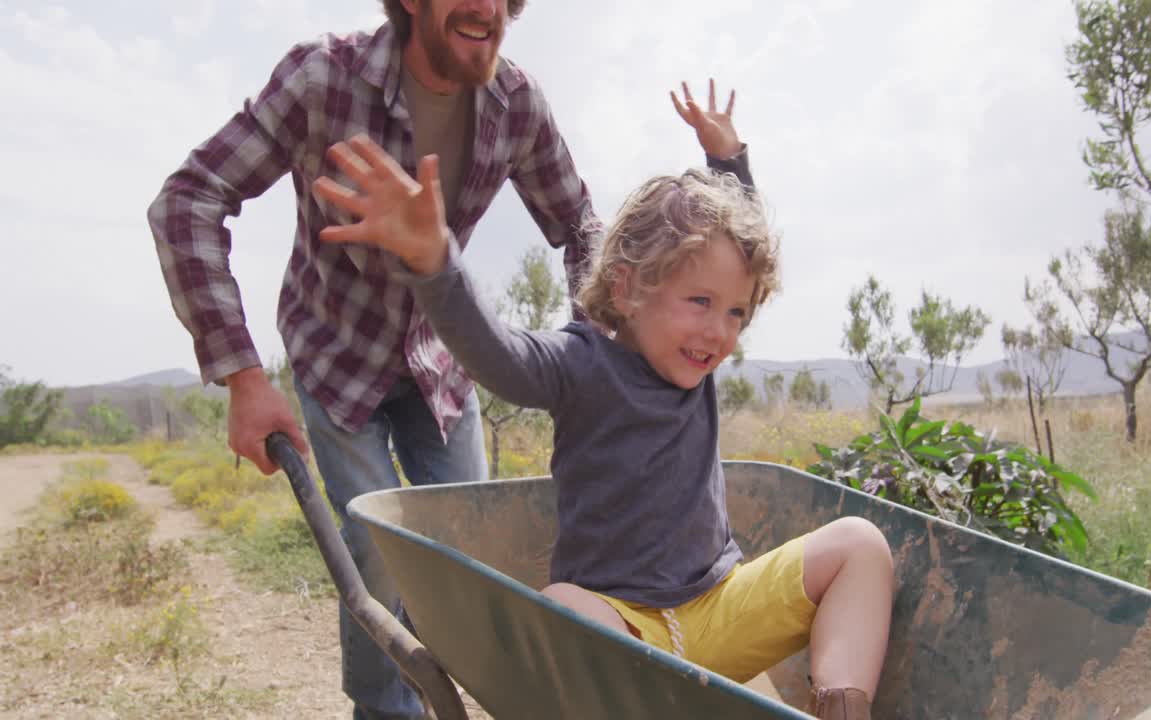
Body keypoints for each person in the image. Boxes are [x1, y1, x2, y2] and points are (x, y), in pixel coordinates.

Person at [146, 0, 745, 714]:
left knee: (466, 563)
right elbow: (189, 198)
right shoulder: (323, 79)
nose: (487, 7)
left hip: (440, 360)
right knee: (379, 550)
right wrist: (242, 375)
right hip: (339, 354)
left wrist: (602, 359)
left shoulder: (515, 103)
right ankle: (385, 710)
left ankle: (468, 695)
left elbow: (578, 222)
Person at [309, 93, 895, 720]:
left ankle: (840, 710)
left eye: (736, 313)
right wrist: (435, 266)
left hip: (721, 607)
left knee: (860, 545)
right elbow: (499, 355)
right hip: (621, 634)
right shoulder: (580, 364)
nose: (719, 332)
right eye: (699, 301)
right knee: (564, 604)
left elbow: (735, 247)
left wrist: (729, 162)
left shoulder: (694, 368)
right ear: (627, 286)